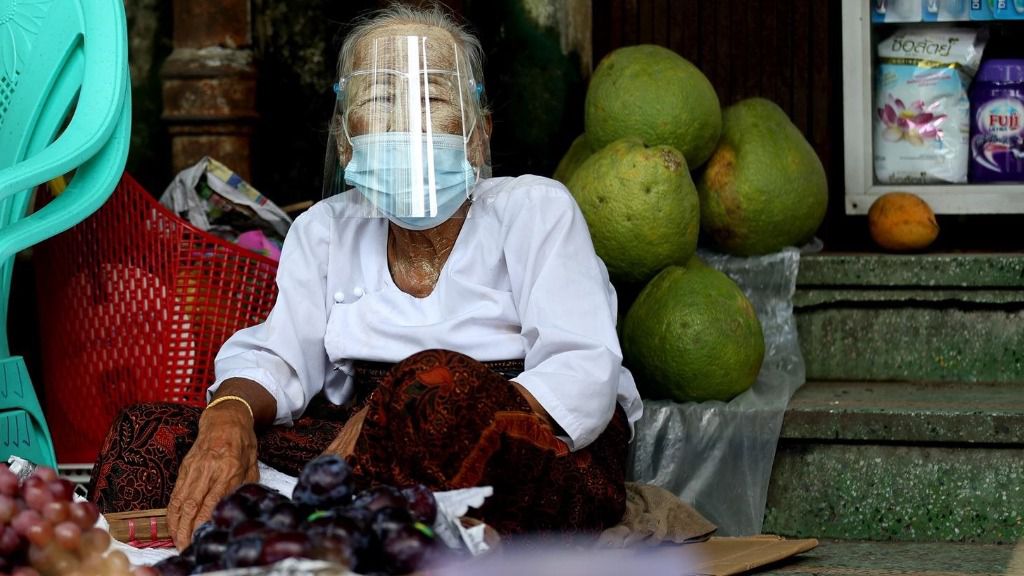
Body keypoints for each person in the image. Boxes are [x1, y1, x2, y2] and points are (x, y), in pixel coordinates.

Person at [90, 2, 642, 549]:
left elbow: (583, 368)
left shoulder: (535, 209)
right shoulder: (325, 229)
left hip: (520, 436)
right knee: (148, 440)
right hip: (362, 444)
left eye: (431, 98)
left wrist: (403, 406)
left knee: (431, 400)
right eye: (379, 99)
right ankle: (332, 513)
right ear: (345, 137)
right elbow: (278, 356)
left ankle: (341, 507)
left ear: (478, 134)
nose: (405, 122)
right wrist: (227, 415)